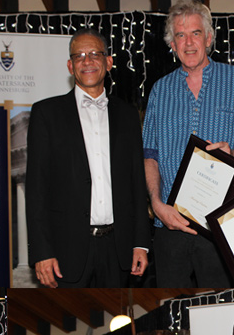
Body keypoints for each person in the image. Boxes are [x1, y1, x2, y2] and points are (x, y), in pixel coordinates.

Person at [142, 0, 234, 287]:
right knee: (169, 302)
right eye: (180, 36)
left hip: (224, 223)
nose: (188, 43)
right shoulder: (160, 90)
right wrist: (157, 204)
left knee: (223, 300)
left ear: (209, 38)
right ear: (171, 44)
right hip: (170, 223)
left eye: (195, 33)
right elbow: (150, 155)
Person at [25, 29, 150, 288]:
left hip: (120, 250)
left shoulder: (128, 115)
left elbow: (137, 182)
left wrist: (141, 242)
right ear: (70, 66)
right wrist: (41, 252)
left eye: (95, 54)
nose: (87, 61)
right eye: (79, 56)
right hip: (64, 250)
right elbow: (36, 188)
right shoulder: (46, 113)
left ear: (108, 61)